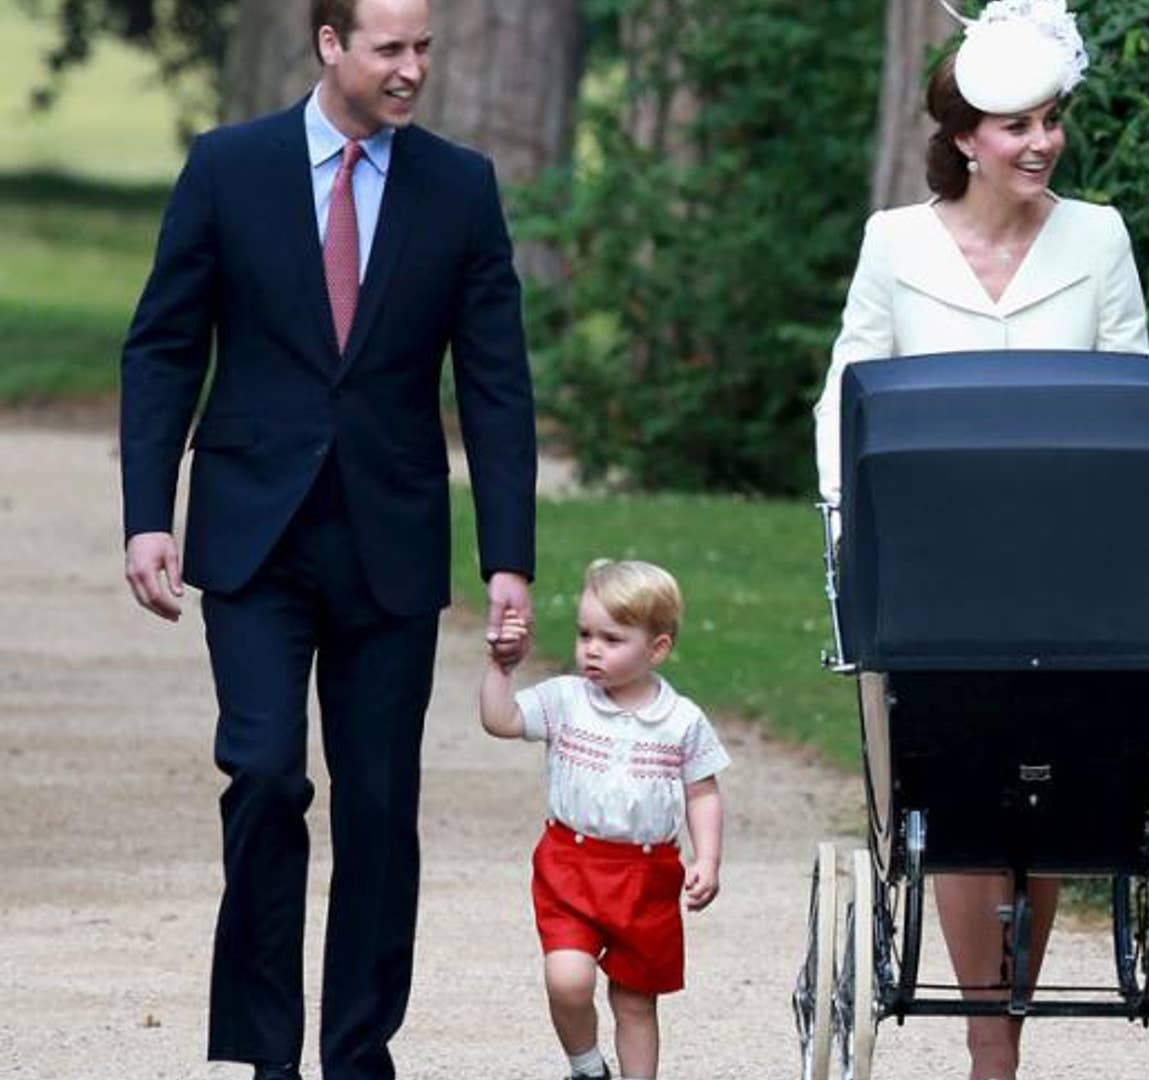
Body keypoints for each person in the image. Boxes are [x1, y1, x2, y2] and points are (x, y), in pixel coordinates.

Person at [116, 0, 538, 1076]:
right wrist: (147, 518)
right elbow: (164, 348)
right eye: (391, 49)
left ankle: (357, 1055)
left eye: (425, 49)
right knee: (263, 776)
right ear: (330, 45)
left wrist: (507, 558)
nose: (413, 70)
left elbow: (494, 387)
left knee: (382, 805)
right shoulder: (229, 167)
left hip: (388, 543)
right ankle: (267, 1052)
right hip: (253, 535)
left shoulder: (459, 187)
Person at [812, 3, 1148, 1076]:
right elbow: (850, 386)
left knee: (1043, 785)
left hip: (1066, 560)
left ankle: (1006, 1019)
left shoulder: (1097, 235)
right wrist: (839, 509)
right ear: (964, 138)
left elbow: (1131, 391)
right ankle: (988, 1047)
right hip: (930, 558)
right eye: (1016, 126)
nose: (1041, 143)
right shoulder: (894, 242)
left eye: (1050, 121)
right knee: (954, 787)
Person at [480, 560, 729, 1080]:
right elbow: (500, 721)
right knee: (567, 979)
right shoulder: (566, 700)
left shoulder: (681, 721)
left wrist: (706, 857)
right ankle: (587, 1067)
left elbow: (702, 792)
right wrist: (501, 670)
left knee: (636, 1000)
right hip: (571, 864)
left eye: (612, 639)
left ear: (656, 648)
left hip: (647, 874)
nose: (591, 648)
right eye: (584, 633)